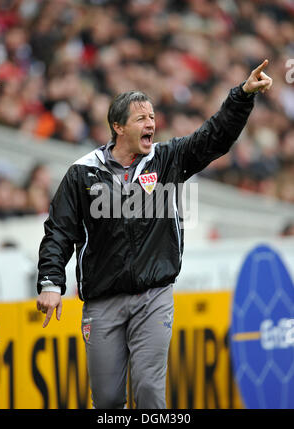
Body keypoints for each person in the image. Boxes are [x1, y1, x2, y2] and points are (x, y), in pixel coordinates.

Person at [36, 60, 272, 409]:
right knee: (108, 401)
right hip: (102, 302)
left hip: (154, 296)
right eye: (141, 119)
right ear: (118, 127)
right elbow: (59, 231)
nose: (151, 124)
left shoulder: (167, 159)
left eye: (152, 117)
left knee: (148, 393)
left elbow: (215, 137)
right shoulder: (82, 174)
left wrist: (242, 95)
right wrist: (51, 283)